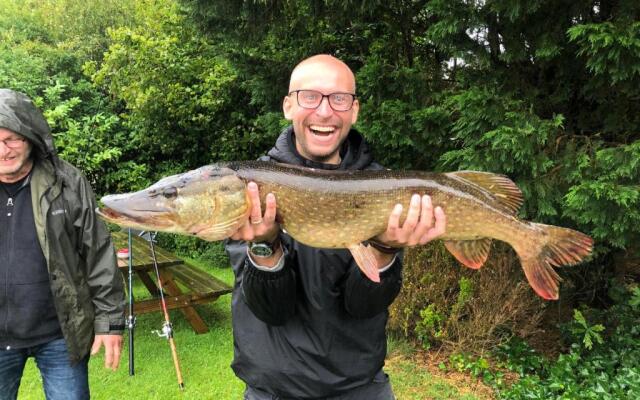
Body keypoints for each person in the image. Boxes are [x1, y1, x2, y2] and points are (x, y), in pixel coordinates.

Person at [225, 54, 447, 399]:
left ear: (354, 111)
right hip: (274, 392)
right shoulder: (251, 189)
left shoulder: (384, 187)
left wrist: (385, 247)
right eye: (309, 96)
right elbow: (272, 310)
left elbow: (363, 306)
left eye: (339, 99)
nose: (325, 112)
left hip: (360, 389)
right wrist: (264, 247)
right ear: (288, 106)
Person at [0, 89, 125, 400]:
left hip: (59, 332)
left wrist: (110, 322)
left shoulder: (66, 181)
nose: (3, 150)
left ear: (29, 136)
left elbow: (97, 252)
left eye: (11, 138)